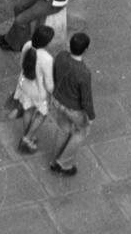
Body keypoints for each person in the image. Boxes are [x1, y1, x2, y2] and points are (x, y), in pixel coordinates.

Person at [46, 32, 95, 175]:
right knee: (82, 131)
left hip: (58, 101)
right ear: (86, 50)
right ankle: (64, 163)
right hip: (74, 109)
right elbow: (86, 98)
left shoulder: (61, 56)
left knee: (63, 129)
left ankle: (55, 160)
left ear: (70, 45)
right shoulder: (84, 73)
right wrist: (91, 117)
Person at [10, 26, 55, 152]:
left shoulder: (27, 45)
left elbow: (22, 63)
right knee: (42, 113)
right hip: (39, 91)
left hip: (24, 84)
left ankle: (26, 135)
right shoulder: (47, 58)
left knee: (27, 109)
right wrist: (54, 95)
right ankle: (27, 139)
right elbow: (49, 83)